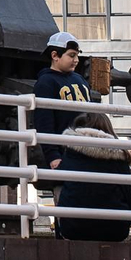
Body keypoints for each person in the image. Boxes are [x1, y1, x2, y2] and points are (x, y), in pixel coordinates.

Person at [52, 111, 131, 242]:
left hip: (74, 228)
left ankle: (60, 241)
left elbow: (59, 179)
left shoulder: (72, 152)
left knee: (58, 187)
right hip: (115, 229)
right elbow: (128, 196)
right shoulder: (121, 155)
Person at [32, 31, 95, 170]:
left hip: (87, 149)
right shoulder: (45, 82)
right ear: (55, 55)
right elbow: (44, 121)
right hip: (65, 152)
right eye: (71, 55)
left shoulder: (79, 79)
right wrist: (53, 155)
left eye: (77, 55)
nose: (76, 60)